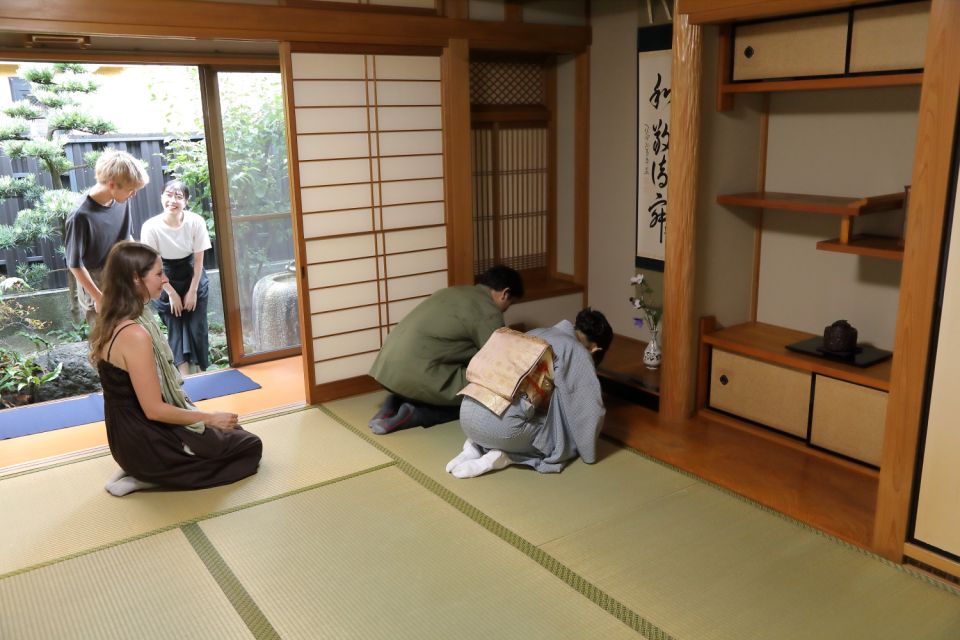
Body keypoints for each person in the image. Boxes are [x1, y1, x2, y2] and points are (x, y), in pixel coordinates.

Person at [88, 241, 262, 497]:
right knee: (249, 447)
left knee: (232, 431)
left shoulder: (110, 313)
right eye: (158, 274)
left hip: (125, 435)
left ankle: (146, 468)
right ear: (136, 278)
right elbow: (154, 410)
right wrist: (209, 417)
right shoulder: (134, 333)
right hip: (145, 440)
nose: (165, 279)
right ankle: (147, 476)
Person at [446, 307, 613, 478]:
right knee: (560, 441)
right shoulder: (576, 351)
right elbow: (589, 410)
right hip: (501, 430)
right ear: (595, 349)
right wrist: (588, 451)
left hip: (466, 414)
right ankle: (504, 456)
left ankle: (474, 447)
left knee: (527, 413)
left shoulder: (536, 332)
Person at [367, 265, 525, 434]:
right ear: (505, 294)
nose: (507, 308)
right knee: (481, 398)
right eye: (510, 303)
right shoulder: (489, 311)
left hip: (386, 370)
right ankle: (413, 414)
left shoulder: (451, 292)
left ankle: (394, 401)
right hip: (416, 374)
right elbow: (498, 359)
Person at [65, 149, 150, 326]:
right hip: (94, 280)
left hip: (121, 272)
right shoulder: (80, 215)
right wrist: (98, 297)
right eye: (131, 189)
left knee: (134, 333)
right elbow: (74, 264)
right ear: (112, 185)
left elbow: (127, 238)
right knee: (105, 342)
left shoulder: (122, 200)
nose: (134, 194)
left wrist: (142, 267)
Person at [140, 180, 212, 374]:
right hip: (164, 276)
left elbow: (198, 261)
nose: (172, 200)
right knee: (175, 325)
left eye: (179, 197)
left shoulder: (195, 221)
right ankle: (183, 376)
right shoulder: (150, 227)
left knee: (198, 325)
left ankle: (201, 371)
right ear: (161, 197)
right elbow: (152, 265)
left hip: (192, 275)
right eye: (168, 195)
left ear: (186, 201)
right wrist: (170, 293)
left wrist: (192, 291)